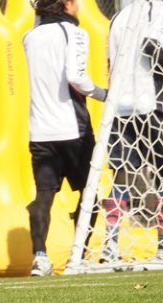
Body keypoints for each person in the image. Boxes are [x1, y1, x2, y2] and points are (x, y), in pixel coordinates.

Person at [23, 0, 107, 276]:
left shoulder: (30, 36)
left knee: (44, 195)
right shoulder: (75, 33)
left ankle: (40, 258)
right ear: (65, 4)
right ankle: (77, 256)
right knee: (89, 193)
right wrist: (105, 94)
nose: (79, 6)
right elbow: (77, 77)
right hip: (73, 130)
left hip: (40, 131)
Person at [102, 0, 163, 263]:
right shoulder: (156, 9)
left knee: (121, 178)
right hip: (150, 104)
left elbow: (110, 63)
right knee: (160, 177)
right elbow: (153, 47)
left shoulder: (117, 18)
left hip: (119, 108)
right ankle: (161, 246)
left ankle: (110, 245)